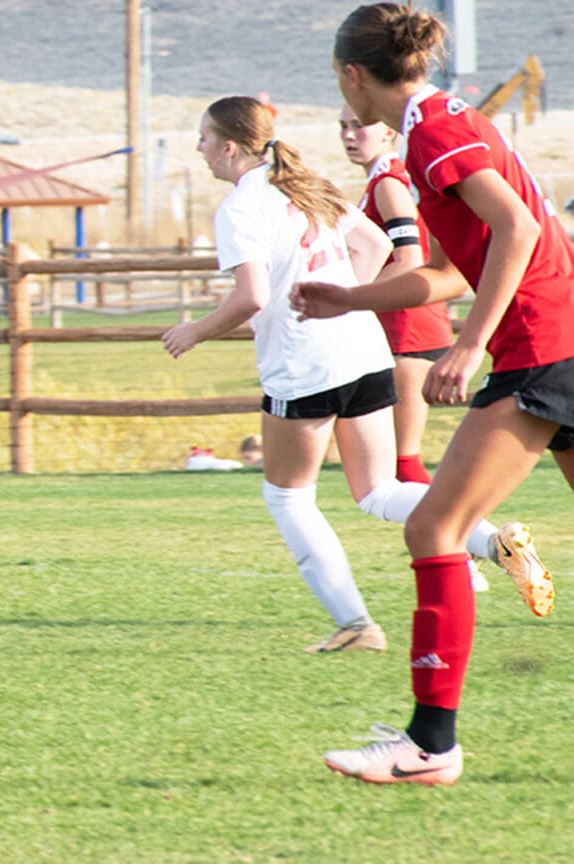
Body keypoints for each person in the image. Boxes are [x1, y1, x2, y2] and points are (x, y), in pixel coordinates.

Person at [293, 2, 567, 785]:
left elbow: (514, 229)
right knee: (439, 527)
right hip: (556, 336)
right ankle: (428, 745)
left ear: (353, 75)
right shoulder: (440, 122)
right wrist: (349, 299)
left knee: (436, 529)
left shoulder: (433, 132)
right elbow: (446, 270)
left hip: (541, 347)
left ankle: (429, 746)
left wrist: (470, 343)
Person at [164, 95, 532, 656]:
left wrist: (195, 330)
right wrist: (345, 304)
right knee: (379, 490)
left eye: (204, 138)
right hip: (363, 351)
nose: (199, 148)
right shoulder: (309, 185)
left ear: (231, 146)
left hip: (304, 365)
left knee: (288, 499)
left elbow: (252, 296)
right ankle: (492, 540)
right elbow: (377, 244)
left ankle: (356, 625)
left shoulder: (240, 207)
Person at [339, 103, 455, 484]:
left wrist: (351, 298)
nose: (349, 136)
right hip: (402, 325)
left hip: (409, 328)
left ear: (389, 131)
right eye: (343, 127)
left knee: (404, 464)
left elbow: (408, 259)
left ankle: (483, 541)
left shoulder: (388, 181)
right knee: (393, 467)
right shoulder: (380, 180)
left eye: (360, 126)